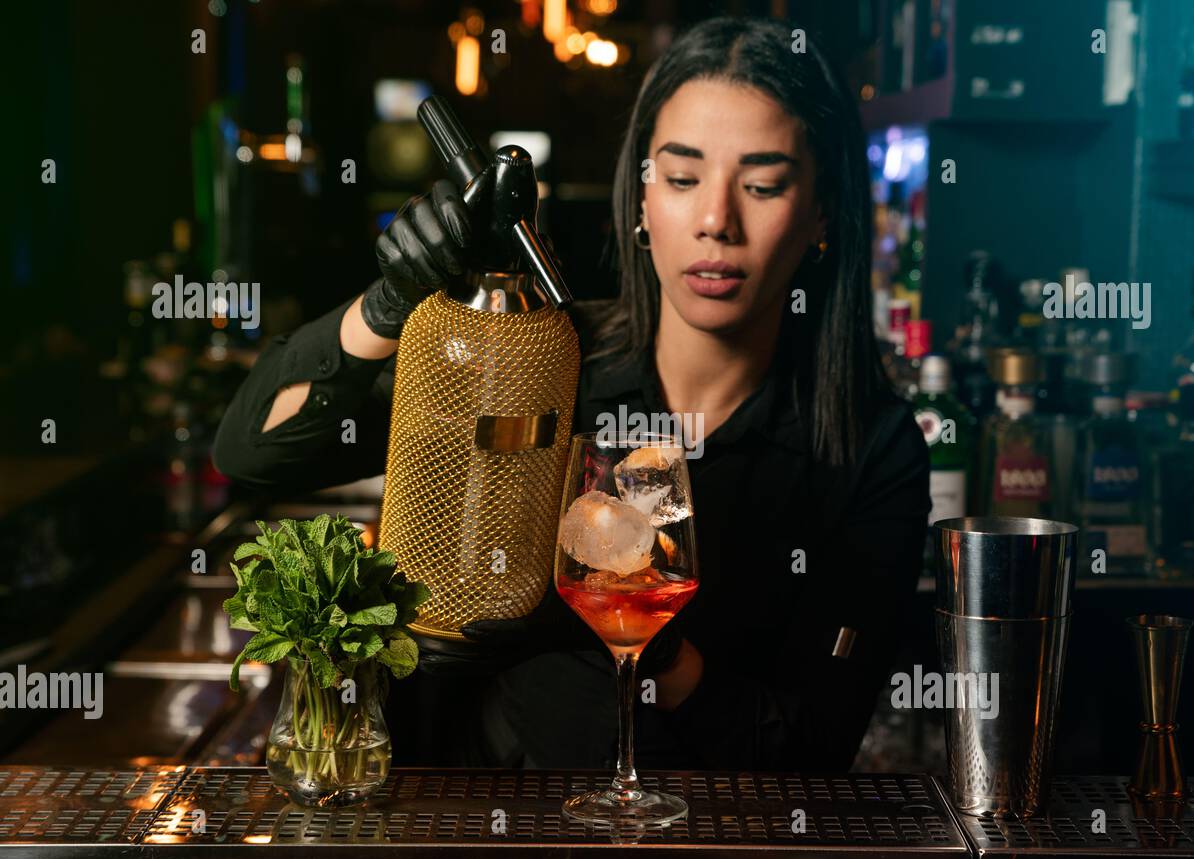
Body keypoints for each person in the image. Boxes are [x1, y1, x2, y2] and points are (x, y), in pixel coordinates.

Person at [212, 16, 930, 773]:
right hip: (470, 826)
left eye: (762, 185)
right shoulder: (537, 354)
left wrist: (638, 633)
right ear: (641, 204)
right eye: (681, 180)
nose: (717, 221)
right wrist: (386, 306)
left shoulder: (869, 449)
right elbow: (253, 450)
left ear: (820, 213)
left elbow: (811, 754)